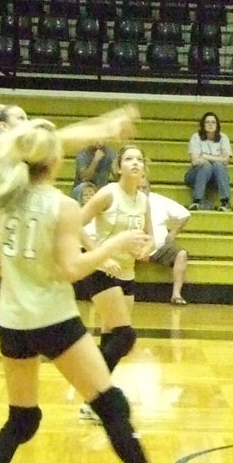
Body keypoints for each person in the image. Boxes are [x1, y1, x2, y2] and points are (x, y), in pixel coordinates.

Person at [0, 118, 204, 463]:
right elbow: (73, 269)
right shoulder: (62, 206)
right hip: (54, 320)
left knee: (22, 419)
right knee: (111, 404)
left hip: (14, 324)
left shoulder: (3, 204)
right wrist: (114, 245)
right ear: (54, 161)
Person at [0, 104, 136, 440]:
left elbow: (57, 152)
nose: (28, 122)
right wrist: (105, 125)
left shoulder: (22, 165)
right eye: (20, 118)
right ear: (2, 126)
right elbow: (60, 137)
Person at [78, 146, 153, 394]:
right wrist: (97, 256)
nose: (135, 163)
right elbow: (76, 224)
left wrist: (146, 248)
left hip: (127, 272)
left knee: (112, 337)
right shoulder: (108, 194)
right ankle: (97, 392)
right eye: (129, 159)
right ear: (118, 167)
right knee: (125, 335)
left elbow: (150, 236)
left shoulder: (143, 200)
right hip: (102, 272)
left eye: (139, 159)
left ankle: (95, 399)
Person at [142, 179, 192, 305]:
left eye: (144, 188)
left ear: (150, 189)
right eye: (138, 188)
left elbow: (184, 214)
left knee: (181, 254)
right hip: (132, 246)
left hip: (160, 247)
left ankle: (176, 294)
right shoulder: (124, 199)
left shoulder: (158, 200)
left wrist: (173, 232)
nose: (141, 191)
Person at [185, 111, 232, 211]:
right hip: (196, 175)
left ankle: (225, 202)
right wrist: (217, 158)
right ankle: (197, 201)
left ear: (217, 125)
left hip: (217, 177)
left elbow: (226, 161)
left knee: (218, 166)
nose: (210, 124)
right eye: (207, 122)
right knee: (206, 166)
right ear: (203, 125)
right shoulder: (196, 137)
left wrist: (205, 156)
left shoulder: (223, 138)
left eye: (213, 122)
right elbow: (195, 161)